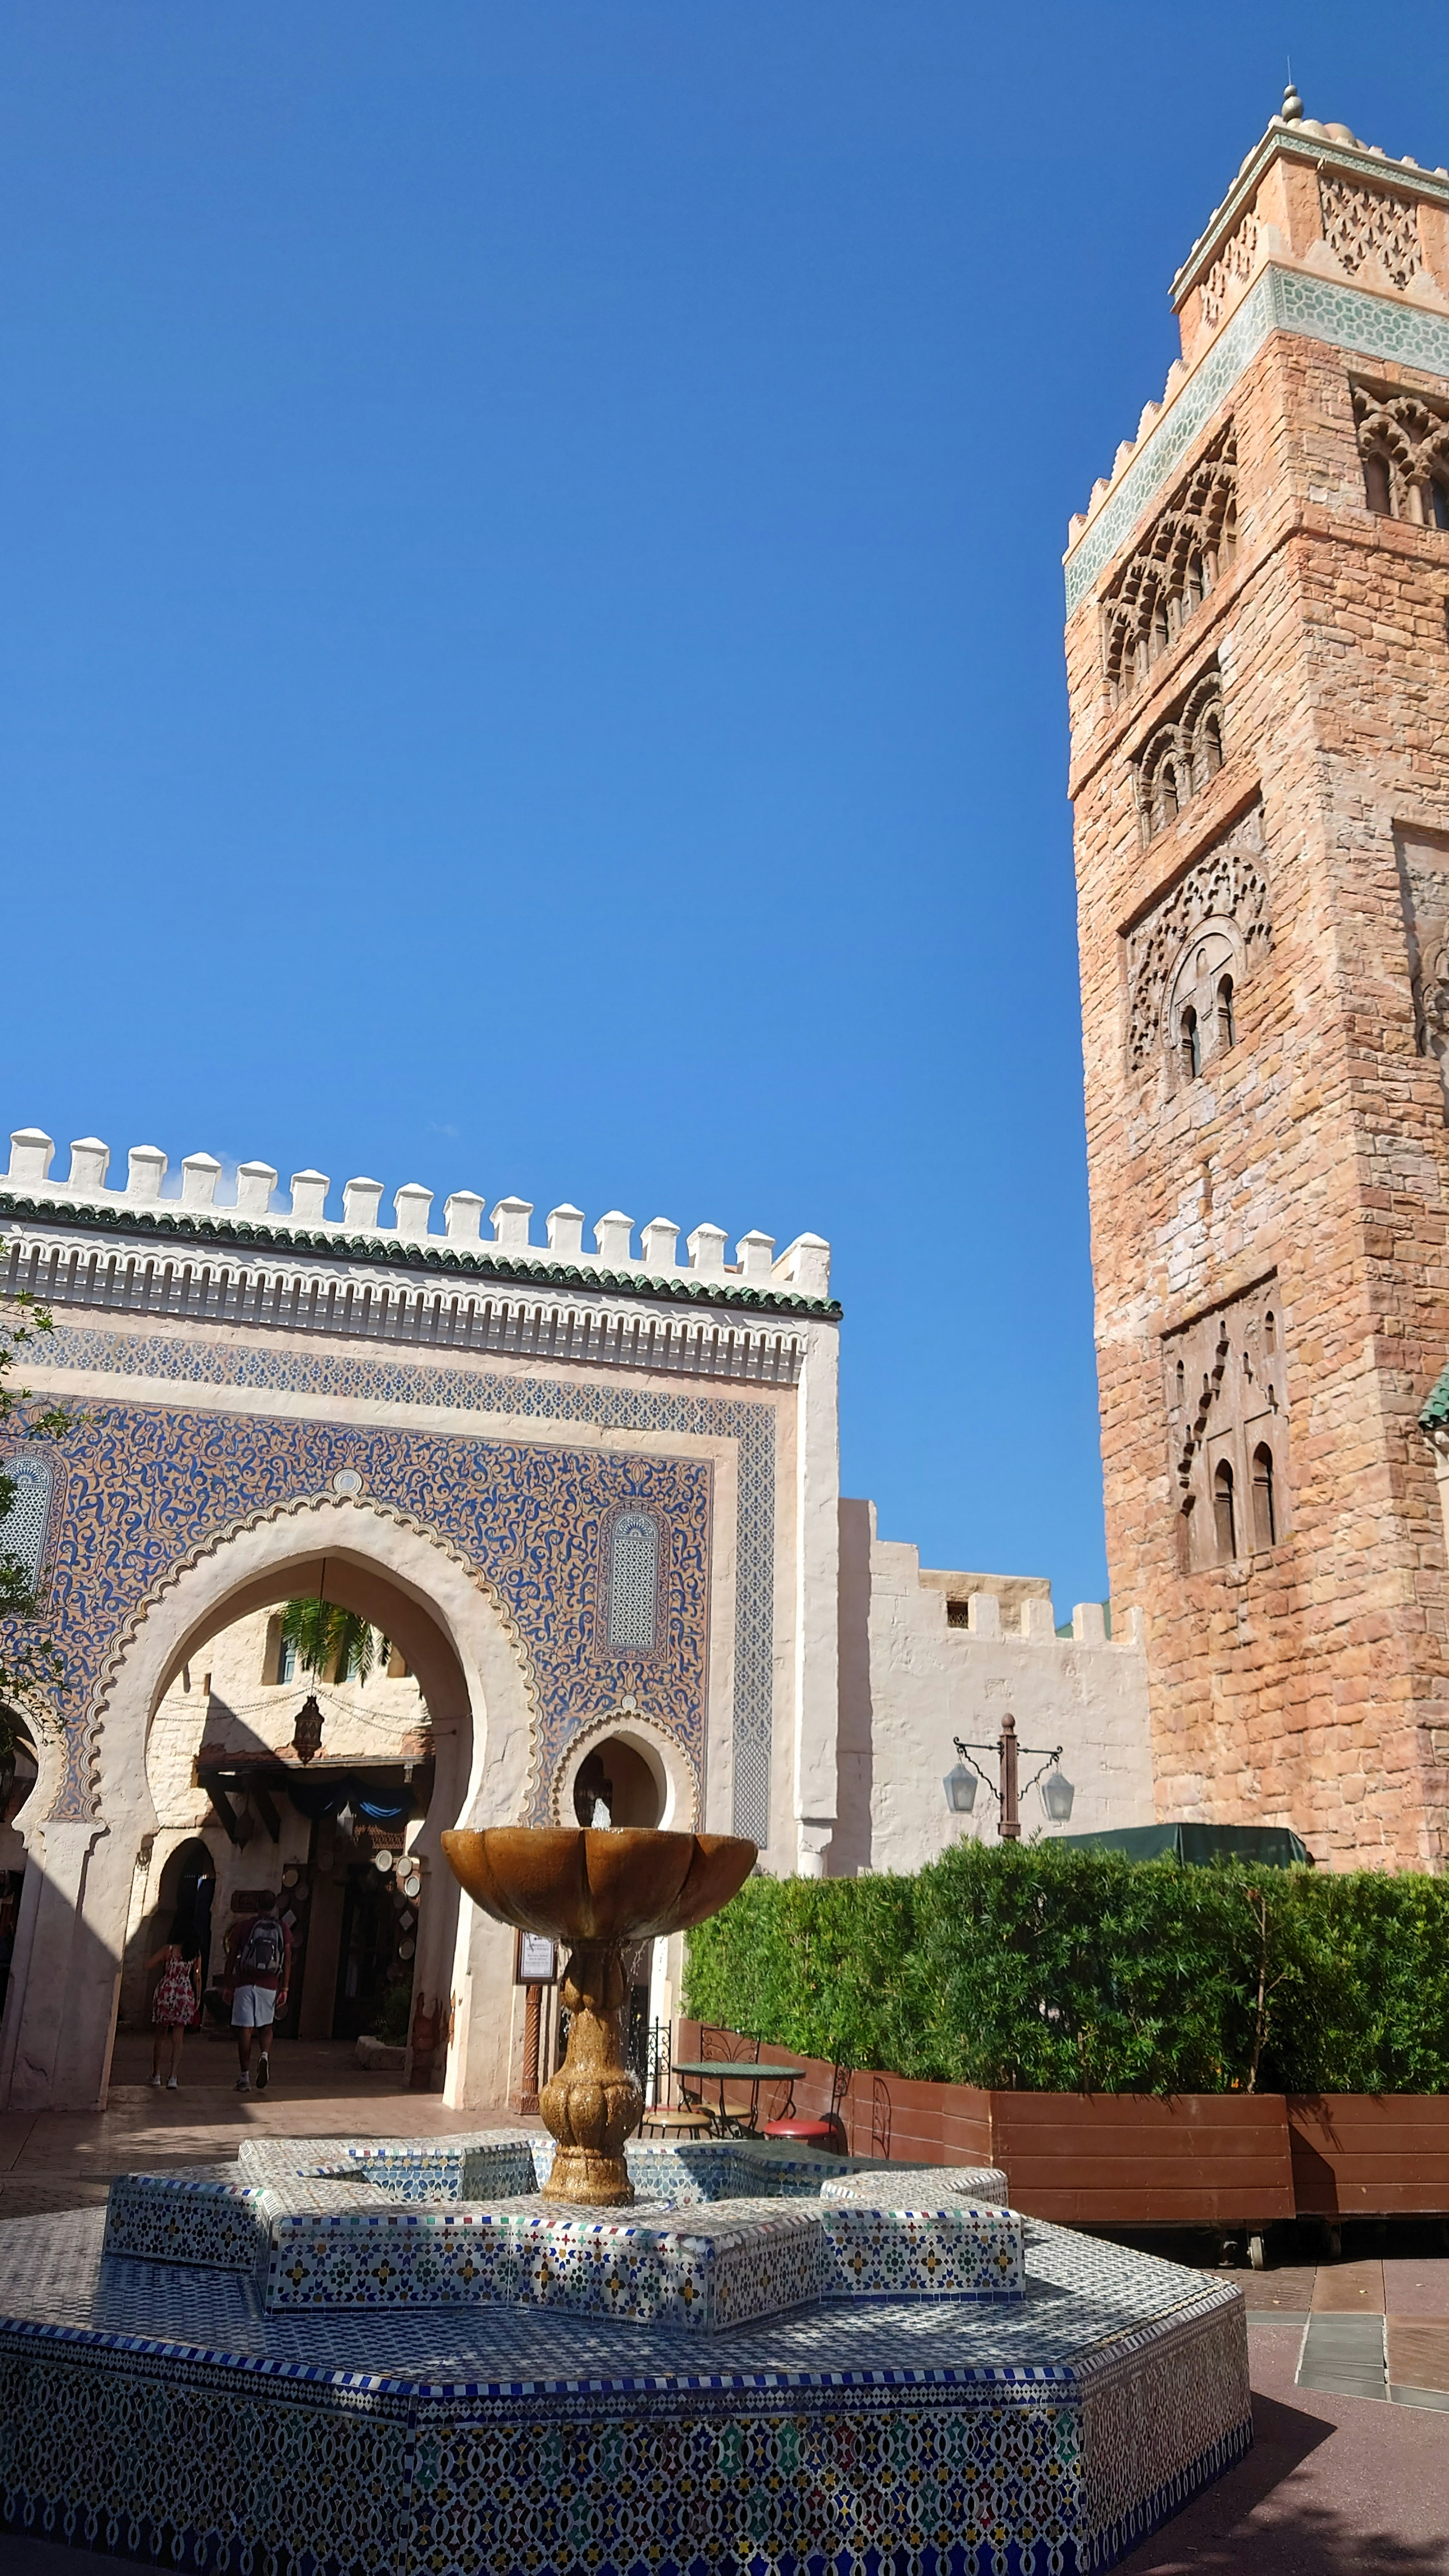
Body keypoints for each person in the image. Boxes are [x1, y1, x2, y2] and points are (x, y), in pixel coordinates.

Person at [225, 1893, 292, 2093]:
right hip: (270, 1984)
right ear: (274, 1906)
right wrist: (285, 1987)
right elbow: (287, 1958)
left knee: (245, 2030)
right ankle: (264, 2055)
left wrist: (228, 1984)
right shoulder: (282, 1928)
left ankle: (244, 2077)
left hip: (245, 1982)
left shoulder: (244, 1927)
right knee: (266, 2026)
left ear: (256, 1904)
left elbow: (231, 1957)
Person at [146, 1922, 200, 2090]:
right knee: (178, 2038)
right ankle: (173, 2077)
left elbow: (147, 1965)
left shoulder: (168, 1950)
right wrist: (197, 1999)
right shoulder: (195, 1954)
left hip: (167, 1992)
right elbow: (197, 1977)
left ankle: (156, 2074)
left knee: (160, 2036)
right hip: (184, 1994)